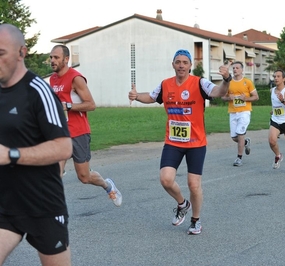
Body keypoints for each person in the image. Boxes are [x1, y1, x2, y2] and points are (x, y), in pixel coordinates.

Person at [128, 49, 231, 235]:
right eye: (178, 62)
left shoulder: (199, 83)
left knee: (194, 184)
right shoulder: (165, 84)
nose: (181, 65)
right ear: (173, 64)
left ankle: (195, 221)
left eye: (185, 62)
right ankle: (183, 204)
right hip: (173, 142)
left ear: (190, 65)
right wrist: (136, 97)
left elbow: (218, 92)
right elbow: (151, 97)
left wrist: (226, 79)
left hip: (196, 143)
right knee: (166, 180)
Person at [0, 24, 72, 266]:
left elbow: (63, 147)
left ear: (22, 52)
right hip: (6, 204)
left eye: (0, 53)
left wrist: (11, 154)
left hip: (43, 205)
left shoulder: (38, 91)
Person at [49, 45, 122, 207]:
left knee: (84, 177)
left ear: (66, 59)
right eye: (51, 57)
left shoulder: (76, 78)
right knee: (53, 173)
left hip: (78, 133)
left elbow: (91, 104)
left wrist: (68, 106)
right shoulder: (52, 79)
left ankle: (107, 185)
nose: (52, 61)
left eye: (56, 57)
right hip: (60, 134)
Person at [221, 61, 259, 166]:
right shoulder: (229, 82)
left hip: (244, 112)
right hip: (233, 112)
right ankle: (246, 142)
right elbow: (222, 97)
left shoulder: (248, 82)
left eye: (237, 68)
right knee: (234, 137)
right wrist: (229, 98)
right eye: (233, 68)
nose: (235, 70)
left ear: (242, 70)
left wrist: (245, 98)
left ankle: (239, 158)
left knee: (240, 133)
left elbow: (256, 97)